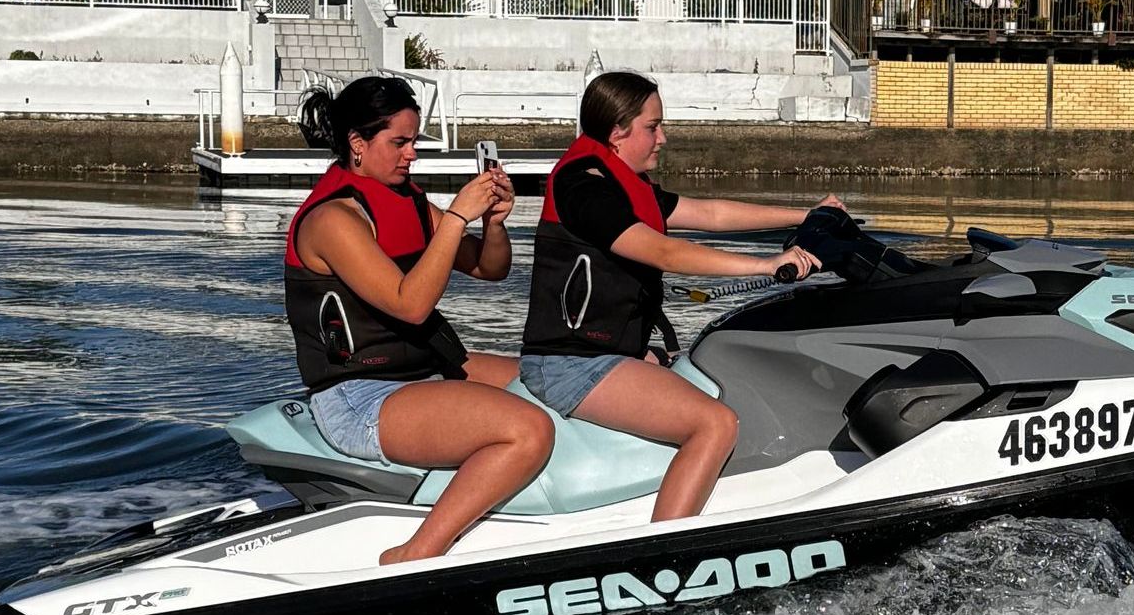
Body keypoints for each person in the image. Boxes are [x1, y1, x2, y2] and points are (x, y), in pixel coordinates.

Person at [521, 71, 839, 521]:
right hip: (571, 363)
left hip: (608, 353)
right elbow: (660, 250)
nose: (663, 138)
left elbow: (709, 212)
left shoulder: (629, 185)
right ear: (617, 132)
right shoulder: (584, 186)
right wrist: (765, 265)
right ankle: (663, 553)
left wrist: (809, 213)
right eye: (653, 127)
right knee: (714, 423)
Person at [286, 76, 552, 566]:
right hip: (359, 395)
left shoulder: (406, 199)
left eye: (415, 141)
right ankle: (415, 554)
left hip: (421, 367)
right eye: (400, 142)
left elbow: (490, 269)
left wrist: (492, 222)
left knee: (552, 380)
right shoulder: (333, 220)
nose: (412, 154)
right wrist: (455, 218)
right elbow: (411, 305)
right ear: (357, 145)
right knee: (528, 429)